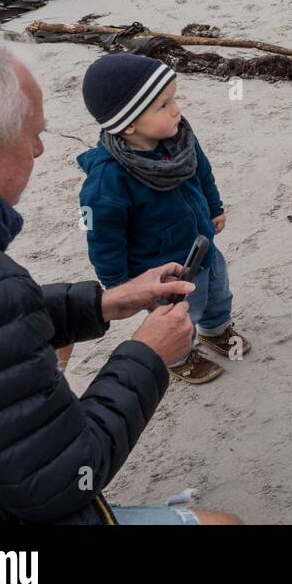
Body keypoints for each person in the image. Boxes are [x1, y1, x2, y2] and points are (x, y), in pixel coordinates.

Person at [0, 29, 239, 524]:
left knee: (55, 344)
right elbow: (62, 477)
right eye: (33, 136)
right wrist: (147, 354)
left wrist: (95, 305)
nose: (39, 152)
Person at [79, 52, 250, 385]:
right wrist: (118, 285)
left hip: (203, 248)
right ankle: (179, 356)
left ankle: (216, 331)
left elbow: (202, 172)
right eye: (163, 105)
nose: (177, 109)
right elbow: (101, 236)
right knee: (177, 316)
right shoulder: (107, 181)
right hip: (161, 271)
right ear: (128, 123)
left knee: (218, 293)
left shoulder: (180, 139)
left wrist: (214, 207)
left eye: (174, 99)